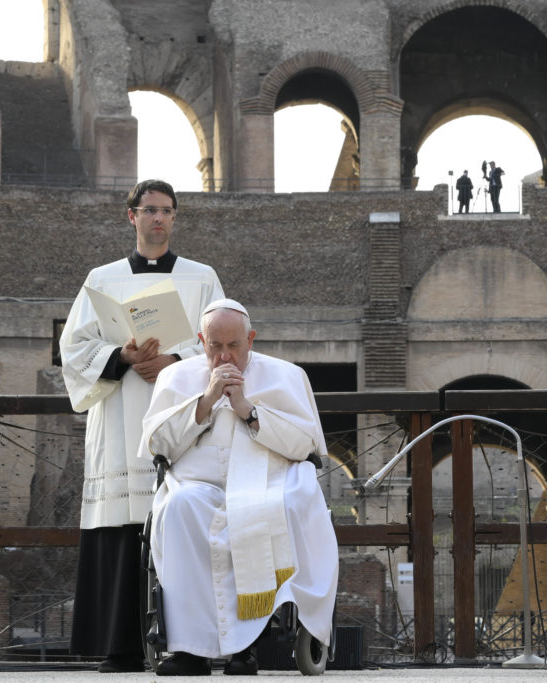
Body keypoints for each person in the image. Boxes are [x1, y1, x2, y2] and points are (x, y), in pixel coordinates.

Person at [59, 179, 225, 672]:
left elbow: (223, 344)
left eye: (167, 211)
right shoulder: (102, 280)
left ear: (175, 218)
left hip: (181, 420)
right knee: (121, 524)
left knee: (180, 524)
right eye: (149, 210)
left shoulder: (203, 279)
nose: (158, 219)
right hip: (119, 419)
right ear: (130, 216)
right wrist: (122, 357)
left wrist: (174, 359)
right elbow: (74, 348)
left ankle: (187, 645)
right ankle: (120, 645)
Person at [138, 299, 338, 676]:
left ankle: (244, 649)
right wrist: (206, 401)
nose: (224, 356)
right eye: (215, 346)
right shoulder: (175, 378)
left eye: (234, 345)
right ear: (201, 341)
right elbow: (159, 445)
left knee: (264, 510)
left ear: (251, 339)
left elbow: (305, 446)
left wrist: (247, 408)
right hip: (198, 485)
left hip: (267, 484)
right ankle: (189, 650)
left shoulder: (287, 376)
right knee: (181, 508)